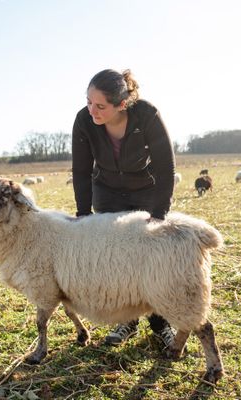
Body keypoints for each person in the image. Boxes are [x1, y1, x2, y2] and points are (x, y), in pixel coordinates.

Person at [71, 68, 177, 348]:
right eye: (88, 102)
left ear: (122, 104)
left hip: (146, 191)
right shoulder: (84, 121)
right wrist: (84, 213)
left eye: (100, 106)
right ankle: (127, 321)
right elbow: (81, 170)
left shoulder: (146, 115)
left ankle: (160, 323)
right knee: (117, 259)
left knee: (150, 259)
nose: (92, 110)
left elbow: (165, 166)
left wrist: (159, 213)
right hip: (106, 193)